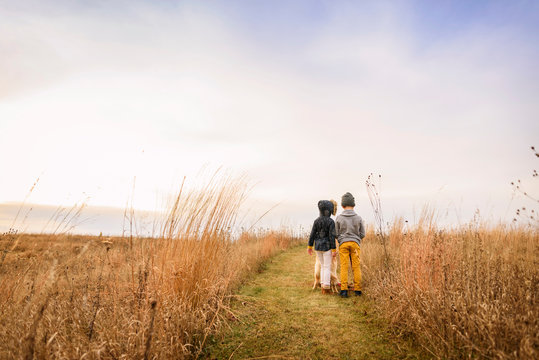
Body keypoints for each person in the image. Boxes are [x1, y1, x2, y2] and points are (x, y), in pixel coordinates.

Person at [335, 192, 365, 298]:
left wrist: (340, 239)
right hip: (355, 244)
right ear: (353, 205)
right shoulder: (358, 218)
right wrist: (356, 238)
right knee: (356, 267)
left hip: (343, 244)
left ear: (342, 205)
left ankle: (344, 290)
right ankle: (357, 290)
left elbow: (336, 233)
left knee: (344, 267)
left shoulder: (339, 218)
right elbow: (363, 233)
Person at [307, 200, 337, 294]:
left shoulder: (316, 221)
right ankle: (326, 288)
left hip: (318, 247)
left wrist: (310, 246)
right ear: (328, 210)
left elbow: (312, 234)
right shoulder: (331, 222)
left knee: (323, 266)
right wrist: (334, 249)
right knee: (326, 267)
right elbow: (332, 237)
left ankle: (323, 284)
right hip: (327, 247)